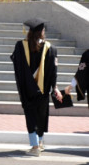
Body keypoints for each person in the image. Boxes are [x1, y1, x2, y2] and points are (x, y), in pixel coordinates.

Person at [11, 18, 61, 156]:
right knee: (41, 116)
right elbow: (53, 71)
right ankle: (39, 143)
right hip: (43, 89)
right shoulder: (51, 48)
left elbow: (17, 65)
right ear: (42, 32)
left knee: (30, 116)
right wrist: (55, 87)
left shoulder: (20, 46)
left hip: (27, 89)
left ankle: (35, 146)